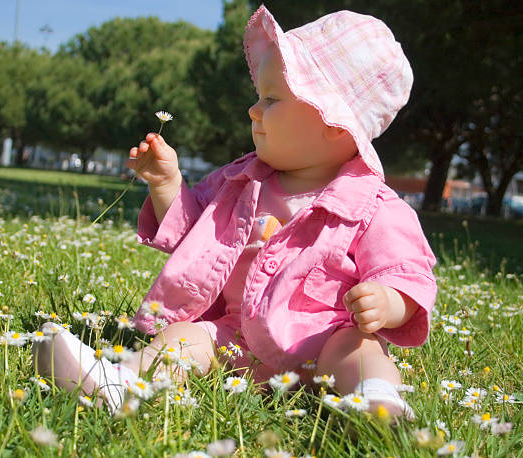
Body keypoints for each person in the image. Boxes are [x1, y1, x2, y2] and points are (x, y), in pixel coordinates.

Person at [33, 5, 436, 419]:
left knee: (360, 348)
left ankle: (377, 403)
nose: (253, 110)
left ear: (334, 123)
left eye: (272, 99)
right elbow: (192, 231)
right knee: (182, 337)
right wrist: (168, 185)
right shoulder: (238, 181)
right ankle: (121, 381)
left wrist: (389, 301)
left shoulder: (373, 206)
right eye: (259, 97)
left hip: (325, 343)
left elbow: (407, 273)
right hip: (235, 338)